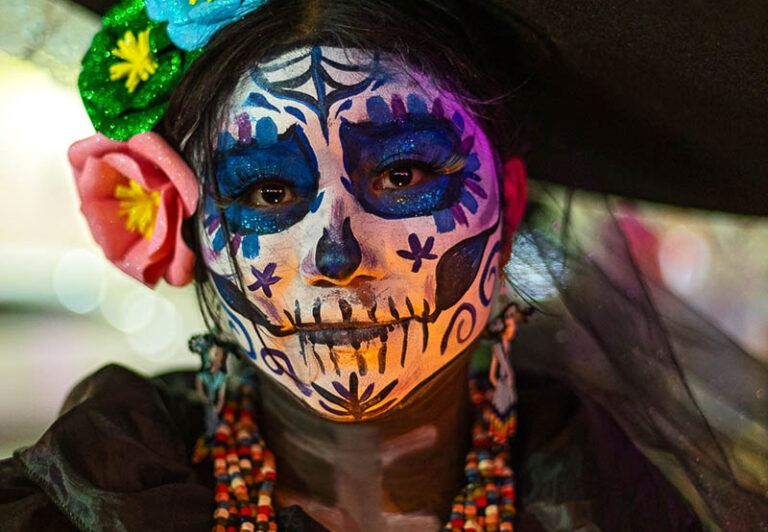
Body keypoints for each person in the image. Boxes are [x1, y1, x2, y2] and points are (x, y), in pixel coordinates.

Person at [1, 0, 766, 530]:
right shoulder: (93, 501)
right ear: (192, 225)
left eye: (402, 174)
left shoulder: (613, 505)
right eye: (268, 191)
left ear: (507, 202)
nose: (335, 255)